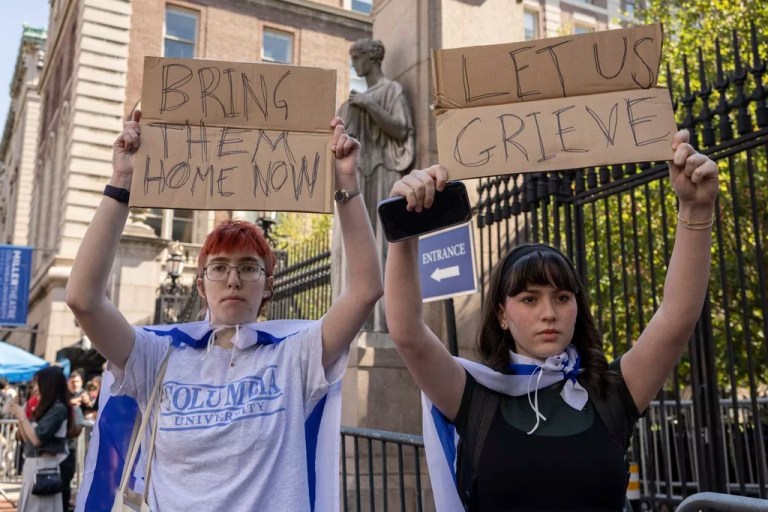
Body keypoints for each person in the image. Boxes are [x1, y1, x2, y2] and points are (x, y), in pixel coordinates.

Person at [383, 130, 719, 510]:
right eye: (529, 299)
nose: (549, 312)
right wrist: (403, 227)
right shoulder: (474, 398)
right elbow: (407, 331)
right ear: (501, 315)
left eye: (562, 297)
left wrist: (696, 211)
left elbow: (677, 316)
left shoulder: (610, 394)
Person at [65, 110, 382, 511]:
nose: (233, 280)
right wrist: (122, 182)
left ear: (268, 285)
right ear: (201, 284)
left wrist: (346, 186)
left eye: (249, 268)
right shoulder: (155, 355)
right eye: (219, 268)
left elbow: (367, 289)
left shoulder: (294, 355)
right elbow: (83, 299)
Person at [336, 38, 415, 332]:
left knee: (383, 245)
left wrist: (369, 104)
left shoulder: (391, 90)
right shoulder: (357, 98)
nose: (354, 64)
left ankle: (385, 322)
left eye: (357, 58)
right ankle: (359, 319)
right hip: (361, 174)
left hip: (384, 172)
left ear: (372, 58)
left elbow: (400, 128)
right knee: (357, 246)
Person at [10, 366, 73, 512]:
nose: (35, 388)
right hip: (34, 465)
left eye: (38, 383)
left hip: (45, 467)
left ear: (48, 384)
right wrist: (20, 414)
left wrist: (21, 415)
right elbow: (27, 438)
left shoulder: (58, 409)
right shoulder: (46, 407)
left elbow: (37, 439)